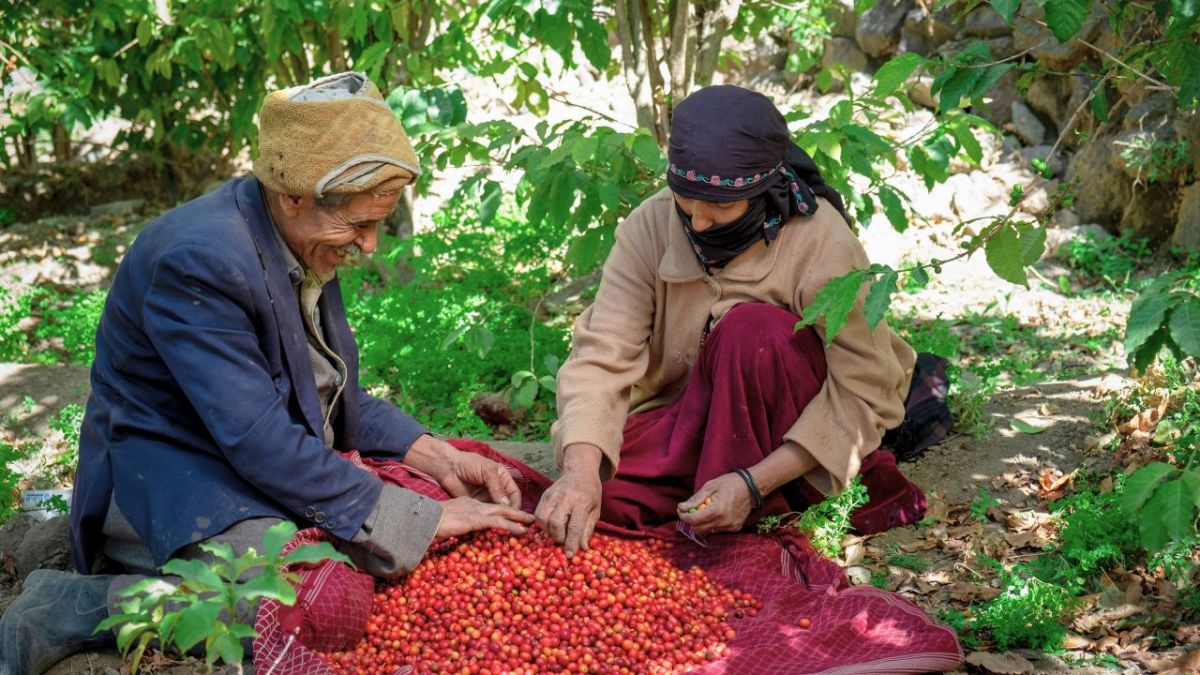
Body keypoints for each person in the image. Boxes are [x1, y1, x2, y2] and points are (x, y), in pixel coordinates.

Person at [0, 72, 532, 675]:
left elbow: (329, 389)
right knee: (316, 603)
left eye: (378, 223)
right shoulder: (198, 261)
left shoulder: (297, 238)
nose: (372, 245)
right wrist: (413, 518)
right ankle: (82, 604)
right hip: (176, 477)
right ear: (294, 196)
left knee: (431, 501)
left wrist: (432, 454)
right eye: (359, 226)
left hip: (250, 457)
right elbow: (256, 436)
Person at [535, 85, 945, 557]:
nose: (701, 224)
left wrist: (754, 482)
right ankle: (713, 486)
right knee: (605, 498)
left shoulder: (821, 242)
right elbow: (601, 354)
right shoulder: (650, 225)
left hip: (784, 427)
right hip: (690, 415)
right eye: (688, 204)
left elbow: (863, 390)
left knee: (752, 333)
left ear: (762, 192)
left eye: (722, 208)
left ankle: (767, 493)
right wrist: (582, 472)